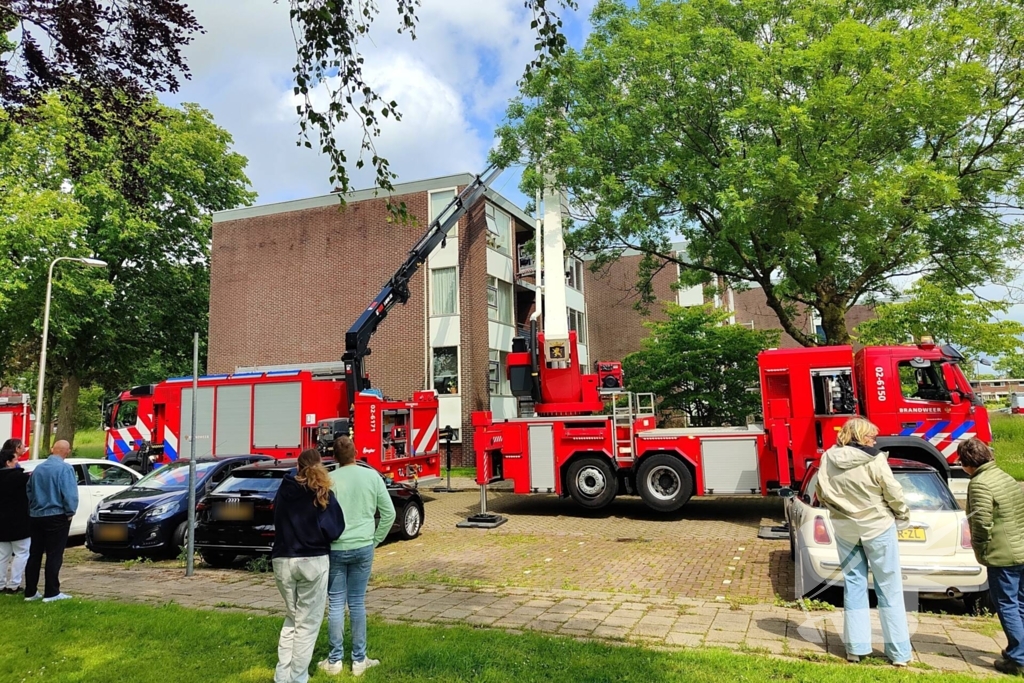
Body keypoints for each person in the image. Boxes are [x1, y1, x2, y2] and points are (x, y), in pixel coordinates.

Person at [815, 417, 911, 666]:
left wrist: (839, 511)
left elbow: (821, 493)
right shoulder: (875, 458)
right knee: (888, 586)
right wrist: (902, 514)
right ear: (859, 436)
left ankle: (855, 648)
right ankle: (899, 652)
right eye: (871, 436)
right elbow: (892, 490)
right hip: (877, 526)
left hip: (845, 528)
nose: (874, 440)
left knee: (854, 584)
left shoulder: (828, 458)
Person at [319, 436, 396, 677]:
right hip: (363, 545)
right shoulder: (371, 476)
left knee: (335, 604)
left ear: (334, 458)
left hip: (336, 547)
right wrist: (375, 539)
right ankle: (359, 660)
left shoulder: (329, 480)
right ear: (357, 453)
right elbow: (389, 513)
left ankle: (334, 661)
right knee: (357, 603)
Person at [272, 448, 345, 683]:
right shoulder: (322, 492)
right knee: (307, 624)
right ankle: (298, 677)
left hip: (283, 559)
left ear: (297, 465)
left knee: (292, 619)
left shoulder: (283, 491)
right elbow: (334, 529)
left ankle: (282, 675)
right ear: (320, 465)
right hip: (313, 560)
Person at [958, 437, 1024, 676]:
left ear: (968, 463)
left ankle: (1018, 659)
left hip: (1002, 553)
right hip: (1021, 548)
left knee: (1006, 605)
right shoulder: (1003, 476)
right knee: (1021, 603)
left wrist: (981, 549)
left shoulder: (980, 483)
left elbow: (982, 522)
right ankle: (1020, 649)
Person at [24, 439, 78, 603]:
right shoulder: (65, 469)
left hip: (36, 515)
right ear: (67, 451)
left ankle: (30, 591)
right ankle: (51, 592)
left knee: (34, 554)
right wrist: (70, 512)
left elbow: (29, 490)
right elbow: (70, 494)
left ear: (52, 449)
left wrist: (34, 506)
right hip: (56, 515)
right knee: (54, 554)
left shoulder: (39, 468)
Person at [0, 439, 31, 594]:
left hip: (1, 524)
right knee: (21, 553)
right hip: (19, 522)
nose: (17, 463)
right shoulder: (20, 478)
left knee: (2, 555)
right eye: (15, 460)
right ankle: (14, 584)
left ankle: (0, 584)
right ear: (8, 462)